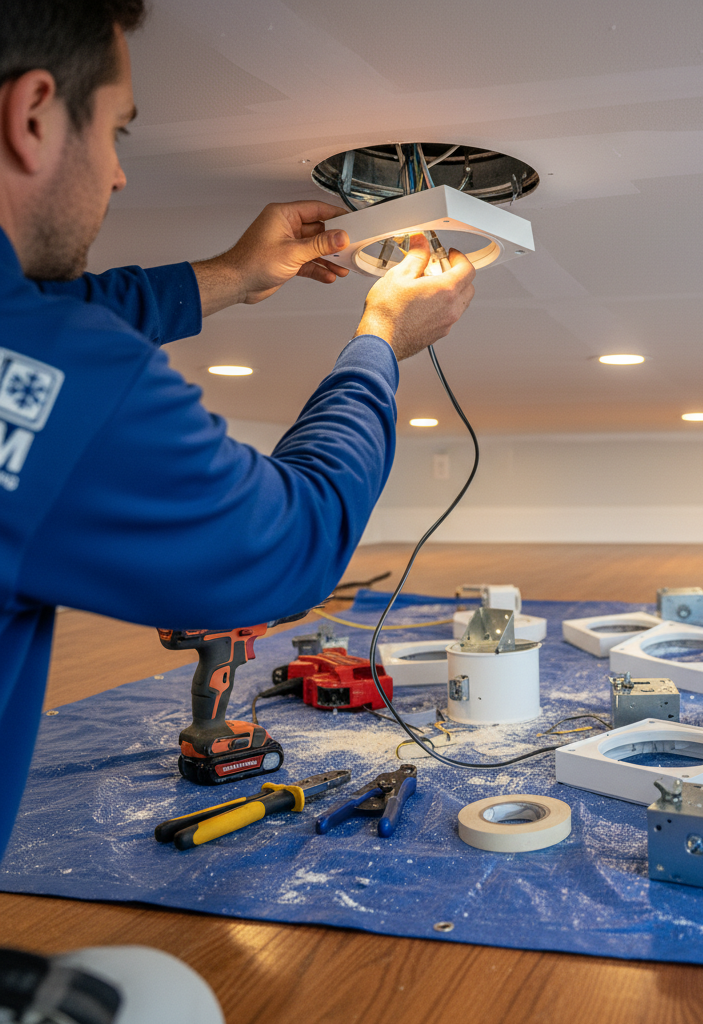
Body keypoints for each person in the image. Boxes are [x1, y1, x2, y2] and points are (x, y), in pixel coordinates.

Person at [0, 0, 476, 864]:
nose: (117, 176)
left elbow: (41, 314)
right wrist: (380, 341)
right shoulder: (55, 381)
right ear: (32, 115)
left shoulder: (32, 343)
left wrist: (229, 274)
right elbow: (288, 545)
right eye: (117, 134)